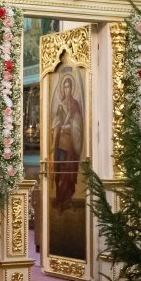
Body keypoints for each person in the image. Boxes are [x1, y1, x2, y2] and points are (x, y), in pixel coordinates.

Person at [51, 74, 83, 211]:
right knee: (59, 171)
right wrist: (56, 126)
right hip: (60, 143)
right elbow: (56, 122)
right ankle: (59, 199)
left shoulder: (75, 105)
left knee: (67, 172)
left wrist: (69, 126)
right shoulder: (61, 105)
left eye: (68, 87)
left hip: (70, 144)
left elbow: (78, 124)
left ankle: (67, 200)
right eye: (64, 87)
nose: (66, 89)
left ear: (72, 88)